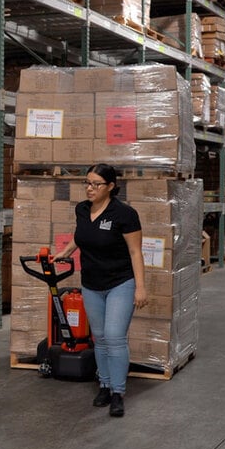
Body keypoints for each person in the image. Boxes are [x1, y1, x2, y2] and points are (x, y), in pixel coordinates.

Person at [53, 163, 147, 417]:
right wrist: (66, 251)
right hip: (91, 284)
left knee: (115, 337)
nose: (90, 188)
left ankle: (118, 392)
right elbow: (82, 235)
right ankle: (104, 385)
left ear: (111, 187)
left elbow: (135, 251)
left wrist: (140, 287)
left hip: (120, 283)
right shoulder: (82, 210)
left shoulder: (125, 214)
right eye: (87, 183)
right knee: (100, 338)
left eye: (96, 184)